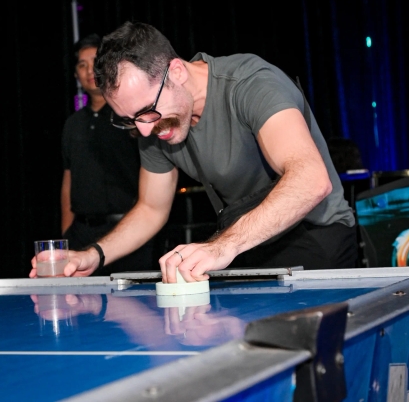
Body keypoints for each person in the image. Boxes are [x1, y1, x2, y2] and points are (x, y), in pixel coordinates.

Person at [30, 21, 357, 283]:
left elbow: (312, 180)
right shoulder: (154, 124)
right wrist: (93, 255)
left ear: (177, 72)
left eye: (146, 111)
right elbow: (151, 209)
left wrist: (222, 246)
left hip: (317, 236)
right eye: (131, 120)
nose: (144, 130)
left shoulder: (250, 84)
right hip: (251, 246)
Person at [60, 33, 154, 275]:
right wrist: (66, 234)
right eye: (82, 65)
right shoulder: (72, 124)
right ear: (75, 75)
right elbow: (68, 180)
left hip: (127, 231)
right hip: (81, 232)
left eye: (95, 61)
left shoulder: (129, 115)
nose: (89, 70)